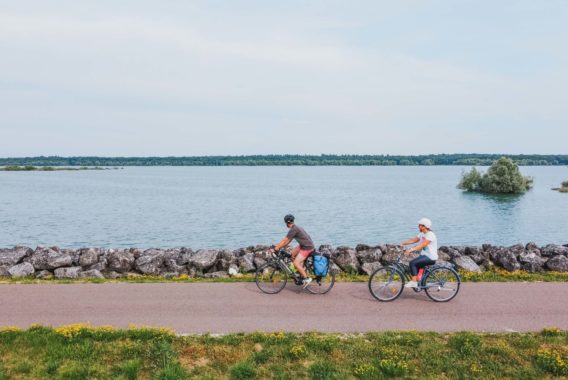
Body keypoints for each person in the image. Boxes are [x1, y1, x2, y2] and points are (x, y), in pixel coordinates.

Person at [272, 214, 315, 288]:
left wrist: (276, 248)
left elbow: (285, 240)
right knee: (291, 255)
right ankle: (298, 273)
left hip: (307, 247)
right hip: (303, 245)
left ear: (287, 222)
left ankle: (306, 278)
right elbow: (288, 241)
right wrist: (281, 247)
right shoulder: (296, 227)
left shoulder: (293, 229)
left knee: (295, 263)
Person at [400, 217, 438, 288]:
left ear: (424, 226)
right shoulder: (422, 234)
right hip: (424, 255)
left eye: (420, 225)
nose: (418, 226)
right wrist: (402, 243)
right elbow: (413, 240)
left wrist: (411, 250)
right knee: (416, 267)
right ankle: (418, 282)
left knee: (412, 263)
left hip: (430, 257)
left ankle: (414, 282)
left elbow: (423, 245)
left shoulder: (430, 235)